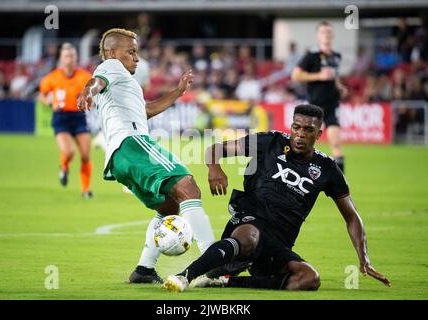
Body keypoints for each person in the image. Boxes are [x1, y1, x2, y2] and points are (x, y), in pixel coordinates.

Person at [163, 104, 391, 292]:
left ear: (319, 134)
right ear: (291, 127)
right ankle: (185, 276)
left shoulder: (327, 168)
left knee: (310, 278)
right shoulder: (270, 142)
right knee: (250, 237)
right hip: (250, 218)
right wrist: (214, 169)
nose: (300, 134)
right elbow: (215, 149)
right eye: (296, 127)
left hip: (279, 240)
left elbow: (351, 216)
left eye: (308, 130)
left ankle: (226, 281)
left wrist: (364, 258)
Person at [77, 28, 215, 284]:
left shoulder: (123, 83)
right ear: (111, 52)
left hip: (120, 158)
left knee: (170, 206)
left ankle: (144, 269)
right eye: (131, 51)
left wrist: (177, 91)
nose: (136, 58)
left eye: (136, 51)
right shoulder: (111, 67)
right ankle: (214, 263)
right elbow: (97, 82)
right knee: (188, 188)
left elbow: (146, 111)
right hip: (133, 144)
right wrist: (88, 90)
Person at [291, 21, 348, 172]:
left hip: (332, 105)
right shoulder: (311, 55)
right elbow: (296, 75)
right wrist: (318, 75)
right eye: (323, 32)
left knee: (335, 143)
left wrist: (340, 87)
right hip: (314, 107)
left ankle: (340, 184)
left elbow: (334, 76)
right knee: (304, 144)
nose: (326, 35)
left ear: (333, 34)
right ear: (318, 35)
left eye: (329, 32)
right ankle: (295, 173)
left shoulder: (336, 56)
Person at [39, 43, 93, 198]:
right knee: (69, 152)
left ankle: (85, 190)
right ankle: (64, 167)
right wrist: (50, 103)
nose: (70, 58)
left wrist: (90, 101)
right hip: (61, 118)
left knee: (85, 154)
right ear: (61, 59)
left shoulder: (84, 76)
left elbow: (93, 95)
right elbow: (42, 95)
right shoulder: (52, 78)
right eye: (67, 56)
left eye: (73, 55)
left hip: (78, 117)